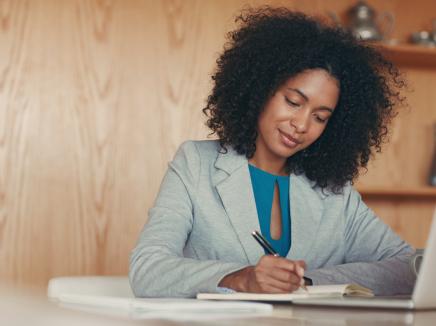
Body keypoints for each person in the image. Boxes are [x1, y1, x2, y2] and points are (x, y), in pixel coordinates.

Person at [129, 7, 416, 298]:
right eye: (293, 101)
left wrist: (308, 282)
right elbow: (147, 269)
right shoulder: (195, 164)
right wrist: (238, 278)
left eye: (320, 117)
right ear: (261, 88)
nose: (301, 125)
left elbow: (410, 267)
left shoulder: (335, 194)